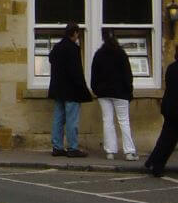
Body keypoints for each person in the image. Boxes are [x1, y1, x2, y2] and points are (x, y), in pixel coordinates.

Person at [90, 30, 137, 161]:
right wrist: (129, 90)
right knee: (124, 121)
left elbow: (94, 76)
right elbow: (128, 75)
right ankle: (129, 152)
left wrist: (96, 90)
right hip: (120, 92)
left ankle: (110, 151)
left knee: (108, 121)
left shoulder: (99, 54)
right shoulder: (121, 54)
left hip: (103, 93)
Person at [48, 22, 93, 157]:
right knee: (72, 120)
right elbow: (76, 72)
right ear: (74, 33)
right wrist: (83, 88)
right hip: (71, 90)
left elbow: (51, 60)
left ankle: (57, 146)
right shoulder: (73, 49)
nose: (77, 36)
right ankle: (73, 147)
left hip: (58, 89)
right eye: (77, 33)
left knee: (58, 119)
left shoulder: (57, 47)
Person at [145, 45, 178, 178]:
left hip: (170, 107)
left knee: (166, 139)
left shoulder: (171, 68)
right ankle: (155, 164)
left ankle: (154, 163)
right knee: (168, 140)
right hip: (175, 108)